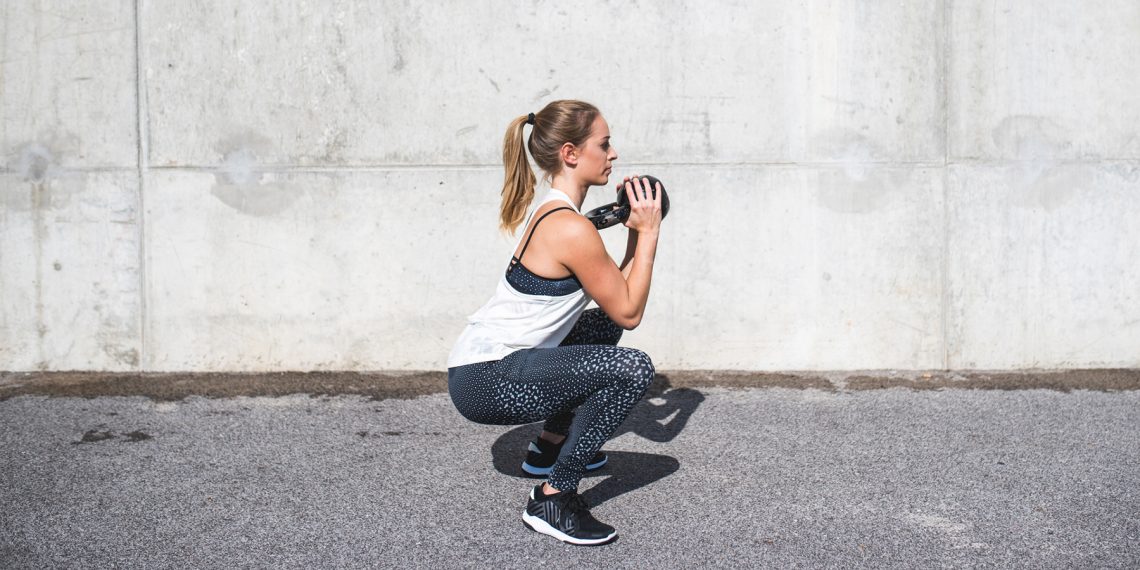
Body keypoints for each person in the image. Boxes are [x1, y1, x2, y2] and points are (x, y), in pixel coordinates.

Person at [446, 99, 664, 546]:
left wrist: (631, 233)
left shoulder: (560, 214)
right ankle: (553, 497)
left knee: (601, 327)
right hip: (487, 380)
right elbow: (632, 311)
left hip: (482, 368)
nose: (613, 154)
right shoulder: (571, 228)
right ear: (570, 153)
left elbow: (615, 302)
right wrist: (649, 233)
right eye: (604, 144)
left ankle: (547, 448)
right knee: (633, 368)